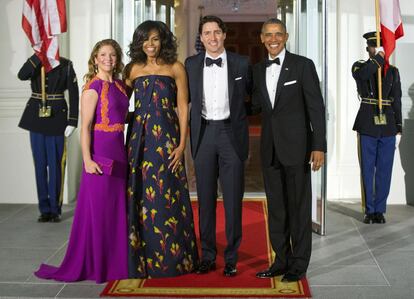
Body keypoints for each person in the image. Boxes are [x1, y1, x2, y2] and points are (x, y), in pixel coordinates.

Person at [34, 39, 129, 283]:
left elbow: (122, 116)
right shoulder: (92, 88)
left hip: (119, 150)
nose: (108, 59)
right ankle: (98, 264)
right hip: (100, 153)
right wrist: (87, 160)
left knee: (115, 210)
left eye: (112, 55)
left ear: (117, 59)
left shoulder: (120, 85)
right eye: (103, 55)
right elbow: (85, 128)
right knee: (98, 211)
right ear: (95, 58)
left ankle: (115, 260)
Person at [251, 18, 326, 282]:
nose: (273, 39)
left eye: (278, 34)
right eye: (268, 35)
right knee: (277, 209)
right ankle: (281, 260)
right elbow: (255, 106)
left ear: (286, 36)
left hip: (298, 148)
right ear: (261, 38)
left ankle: (298, 264)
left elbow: (316, 108)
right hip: (270, 149)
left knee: (299, 208)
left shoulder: (303, 65)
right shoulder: (258, 69)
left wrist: (319, 146)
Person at [125, 20, 198, 278]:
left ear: (163, 40)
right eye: (146, 39)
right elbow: (118, 103)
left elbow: (184, 108)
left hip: (166, 138)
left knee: (167, 194)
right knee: (141, 194)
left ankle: (173, 258)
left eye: (155, 39)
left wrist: (181, 145)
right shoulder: (132, 69)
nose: (150, 44)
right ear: (139, 42)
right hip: (139, 141)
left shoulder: (176, 67)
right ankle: (140, 259)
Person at [185, 15, 252, 277]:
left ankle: (232, 258)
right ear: (201, 38)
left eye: (216, 32)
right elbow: (184, 102)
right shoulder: (190, 65)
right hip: (203, 135)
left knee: (233, 199)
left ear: (224, 35)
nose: (212, 38)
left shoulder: (242, 64)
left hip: (230, 135)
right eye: (207, 33)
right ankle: (209, 255)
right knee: (205, 200)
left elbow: (252, 99)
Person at [18, 53, 79, 223]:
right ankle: (44, 209)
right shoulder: (35, 61)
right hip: (35, 119)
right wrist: (37, 57)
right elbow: (22, 75)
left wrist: (72, 121)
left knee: (56, 165)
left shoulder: (66, 64)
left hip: (57, 120)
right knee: (39, 165)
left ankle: (55, 208)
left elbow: (74, 94)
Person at [352, 31, 402, 224]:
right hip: (367, 123)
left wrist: (398, 125)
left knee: (384, 169)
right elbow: (363, 75)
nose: (379, 50)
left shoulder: (393, 71)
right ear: (368, 49)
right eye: (375, 46)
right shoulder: (360, 66)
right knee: (367, 168)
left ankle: (380, 210)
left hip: (387, 124)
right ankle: (369, 210)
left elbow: (396, 99)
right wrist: (378, 60)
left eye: (382, 47)